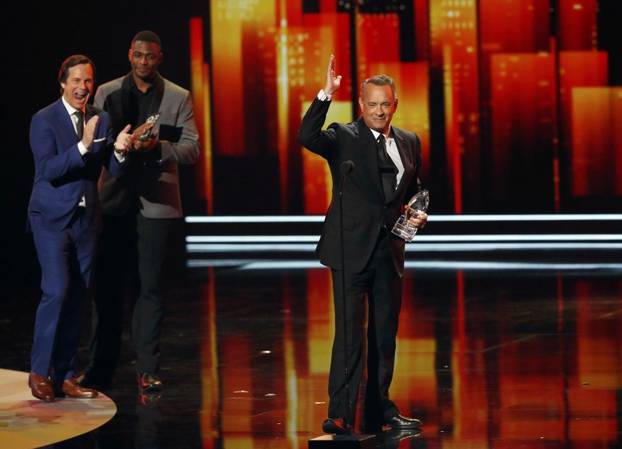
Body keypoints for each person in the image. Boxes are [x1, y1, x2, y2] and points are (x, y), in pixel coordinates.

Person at [298, 55, 428, 434]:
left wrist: (420, 210)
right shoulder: (343, 135)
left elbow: (413, 188)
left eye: (385, 104)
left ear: (395, 104)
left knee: (384, 333)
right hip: (349, 248)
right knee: (350, 334)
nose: (379, 111)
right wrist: (326, 95)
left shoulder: (409, 141)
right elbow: (307, 137)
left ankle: (381, 408)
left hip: (390, 251)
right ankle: (340, 412)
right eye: (372, 104)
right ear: (361, 105)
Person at [78, 30, 200, 393]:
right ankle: (100, 369)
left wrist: (157, 146)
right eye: (138, 55)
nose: (144, 62)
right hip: (114, 201)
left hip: (157, 203)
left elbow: (192, 149)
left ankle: (148, 369)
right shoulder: (107, 93)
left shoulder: (178, 96)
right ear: (129, 55)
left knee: (150, 289)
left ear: (160, 58)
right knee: (107, 289)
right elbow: (94, 145)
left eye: (150, 56)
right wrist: (122, 145)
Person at [27, 54, 131, 402]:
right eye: (76, 81)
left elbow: (112, 171)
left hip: (87, 220)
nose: (83, 88)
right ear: (62, 83)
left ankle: (66, 374)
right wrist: (84, 146)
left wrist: (120, 150)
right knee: (56, 290)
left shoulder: (100, 119)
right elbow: (49, 170)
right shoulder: (44, 120)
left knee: (78, 298)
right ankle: (40, 372)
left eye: (88, 81)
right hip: (52, 219)